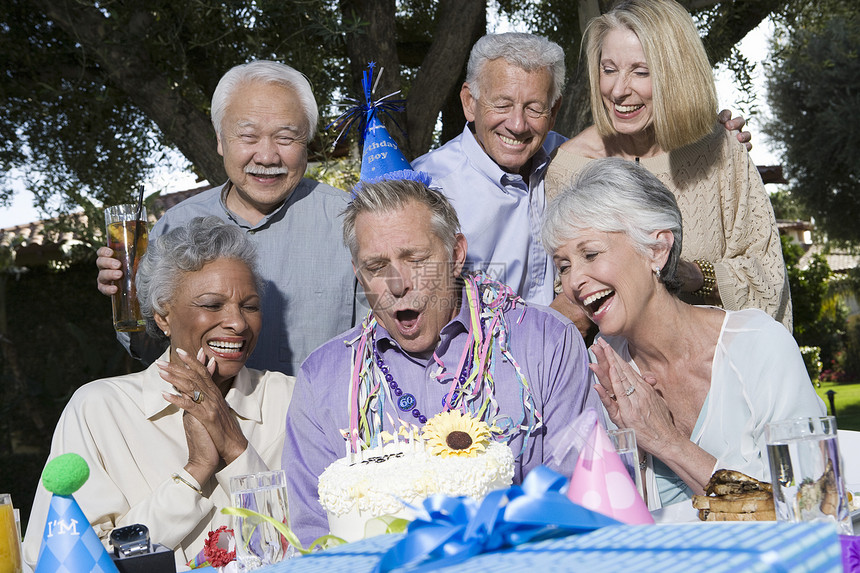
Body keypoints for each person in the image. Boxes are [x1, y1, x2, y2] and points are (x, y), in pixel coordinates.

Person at [283, 178, 597, 545]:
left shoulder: (545, 342)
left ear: (456, 254)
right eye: (376, 266)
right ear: (358, 271)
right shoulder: (322, 380)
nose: (397, 284)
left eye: (415, 259)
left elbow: (580, 491)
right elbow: (314, 537)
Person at [412, 32, 750, 331]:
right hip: (473, 383)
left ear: (554, 110)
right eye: (502, 104)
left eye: (534, 108)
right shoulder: (425, 189)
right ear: (470, 102)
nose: (517, 124)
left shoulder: (572, 161)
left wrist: (712, 140)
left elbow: (648, 154)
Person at [543, 158, 825, 509]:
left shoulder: (760, 346)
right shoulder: (599, 371)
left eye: (591, 253)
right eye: (564, 265)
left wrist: (665, 440)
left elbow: (809, 504)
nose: (573, 282)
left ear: (657, 250)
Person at [24, 217, 295, 570]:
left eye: (250, 306)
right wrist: (194, 473)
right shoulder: (101, 410)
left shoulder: (290, 399)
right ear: (163, 316)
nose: (238, 323)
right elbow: (65, 561)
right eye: (212, 305)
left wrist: (234, 446)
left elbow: (312, 542)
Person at [96, 60, 366, 376]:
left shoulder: (352, 223)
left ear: (307, 142)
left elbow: (380, 346)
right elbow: (153, 350)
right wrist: (124, 296)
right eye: (248, 137)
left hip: (322, 421)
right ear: (221, 139)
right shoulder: (174, 227)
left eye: (285, 138)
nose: (266, 156)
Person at [545, 0, 791, 330]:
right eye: (609, 69)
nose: (618, 90)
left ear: (675, 75)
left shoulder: (722, 150)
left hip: (722, 360)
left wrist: (693, 274)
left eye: (640, 71)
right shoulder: (569, 169)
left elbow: (770, 280)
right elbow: (569, 297)